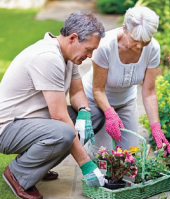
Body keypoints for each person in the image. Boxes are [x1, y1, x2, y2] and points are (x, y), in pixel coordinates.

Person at [0, 11, 107, 199]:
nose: (90, 55)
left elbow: (77, 92)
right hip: (7, 128)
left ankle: (36, 167)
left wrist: (83, 112)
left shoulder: (68, 55)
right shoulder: (48, 57)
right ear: (73, 38)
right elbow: (58, 116)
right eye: (89, 49)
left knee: (94, 115)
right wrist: (86, 164)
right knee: (64, 132)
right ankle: (18, 174)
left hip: (32, 122)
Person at [72, 6, 170, 154]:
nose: (139, 46)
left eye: (145, 41)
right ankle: (89, 148)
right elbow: (98, 89)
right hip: (96, 101)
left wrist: (156, 127)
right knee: (104, 156)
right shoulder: (105, 46)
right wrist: (110, 113)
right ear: (125, 28)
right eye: (136, 40)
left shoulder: (152, 48)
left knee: (130, 156)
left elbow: (149, 92)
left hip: (125, 101)